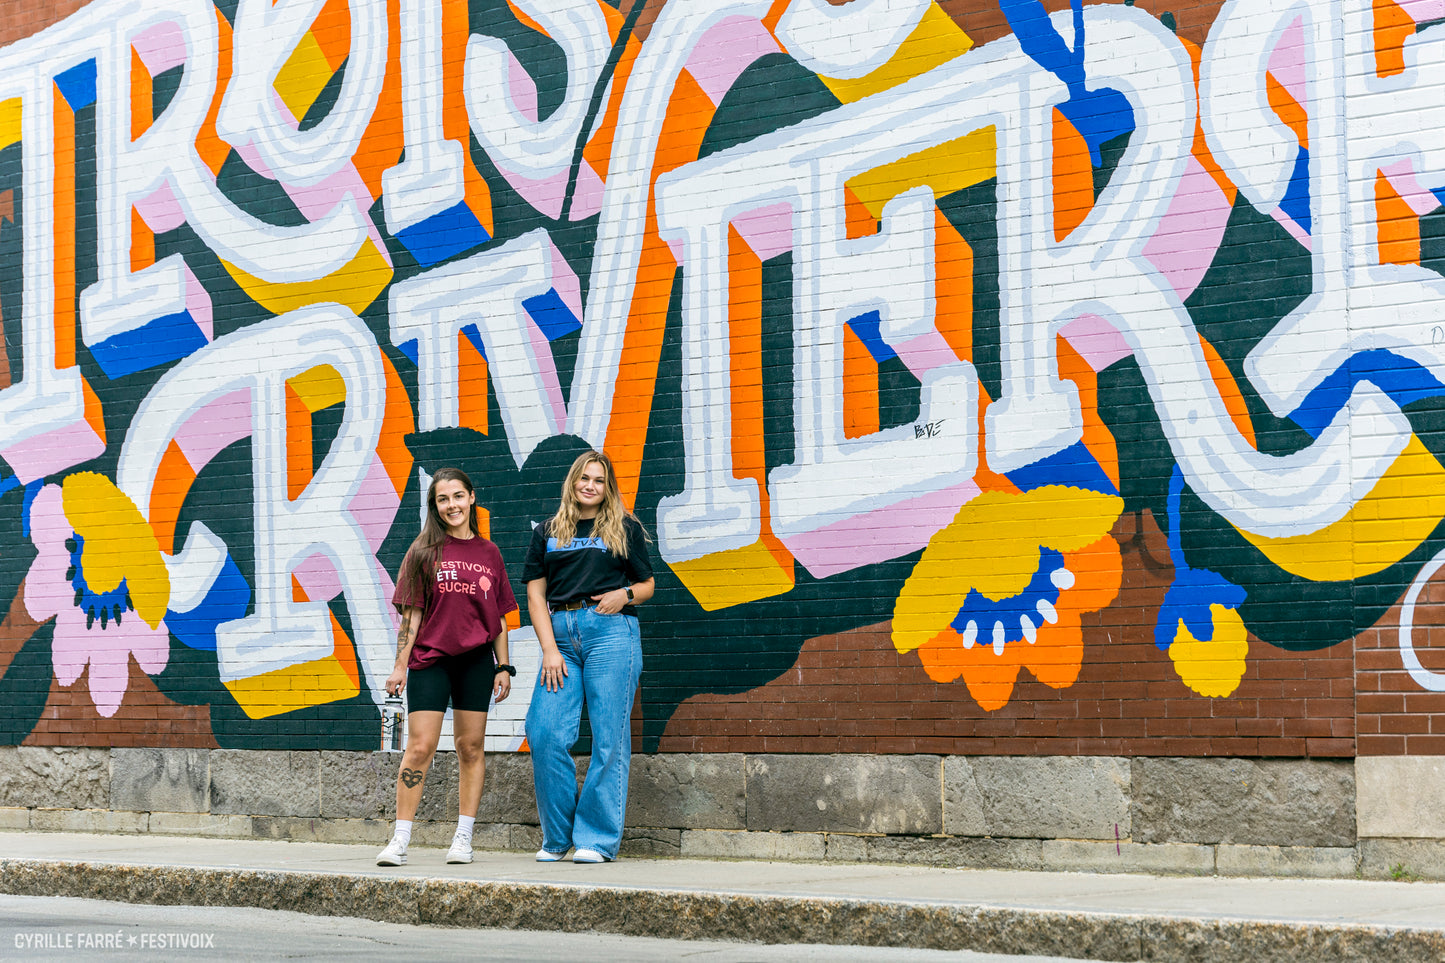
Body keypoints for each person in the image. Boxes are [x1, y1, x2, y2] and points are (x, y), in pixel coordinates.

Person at [376, 467, 518, 867]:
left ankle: (463, 838)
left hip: (476, 662)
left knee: (469, 748)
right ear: (434, 506)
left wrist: (503, 666)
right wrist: (399, 666)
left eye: (458, 496)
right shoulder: (423, 551)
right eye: (443, 499)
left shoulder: (489, 553)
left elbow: (501, 616)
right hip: (430, 660)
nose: (452, 505)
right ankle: (400, 838)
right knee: (419, 747)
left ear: (471, 497)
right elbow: (411, 617)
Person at [523, 450, 655, 863]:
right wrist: (547, 649)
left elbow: (648, 584)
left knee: (609, 737)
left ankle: (596, 840)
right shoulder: (547, 531)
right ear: (573, 481)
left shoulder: (623, 527)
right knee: (543, 732)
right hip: (559, 639)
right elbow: (534, 593)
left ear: (607, 486)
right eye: (585, 478)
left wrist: (625, 594)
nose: (591, 486)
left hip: (610, 634)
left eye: (599, 480)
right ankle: (558, 838)